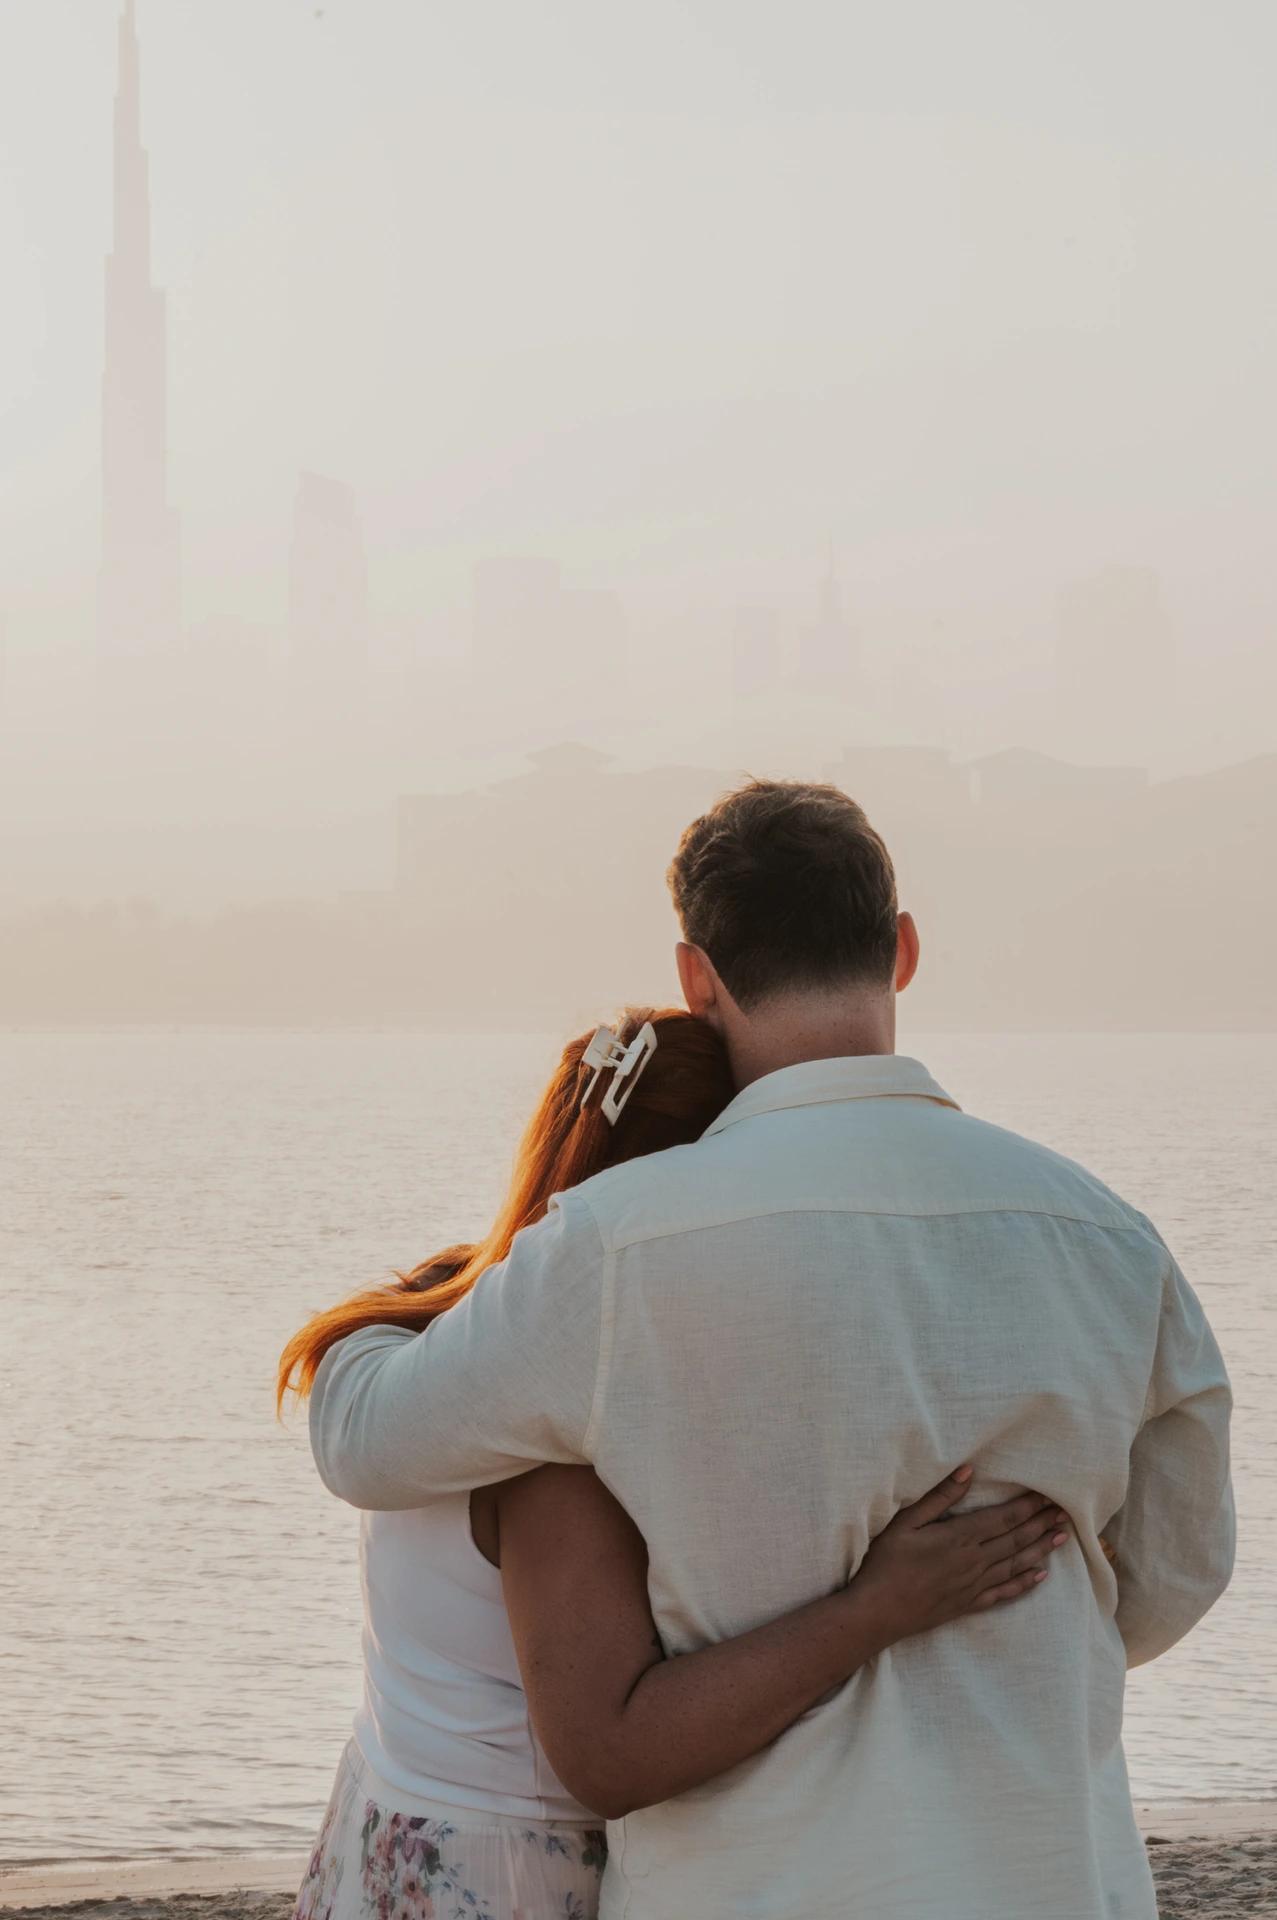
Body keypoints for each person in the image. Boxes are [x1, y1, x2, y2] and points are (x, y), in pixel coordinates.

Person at [309, 779, 1234, 1920]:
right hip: (1052, 1872)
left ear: (699, 980)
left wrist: (404, 1315)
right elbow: (1178, 1571)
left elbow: (366, 1446)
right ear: (900, 950)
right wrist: (1011, 1648)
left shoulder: (613, 1249)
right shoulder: (1105, 1236)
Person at [280, 1007, 1072, 1920]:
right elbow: (609, 1752)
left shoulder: (453, 1312)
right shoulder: (554, 1432)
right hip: (510, 1879)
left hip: (383, 1824)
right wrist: (877, 1608)